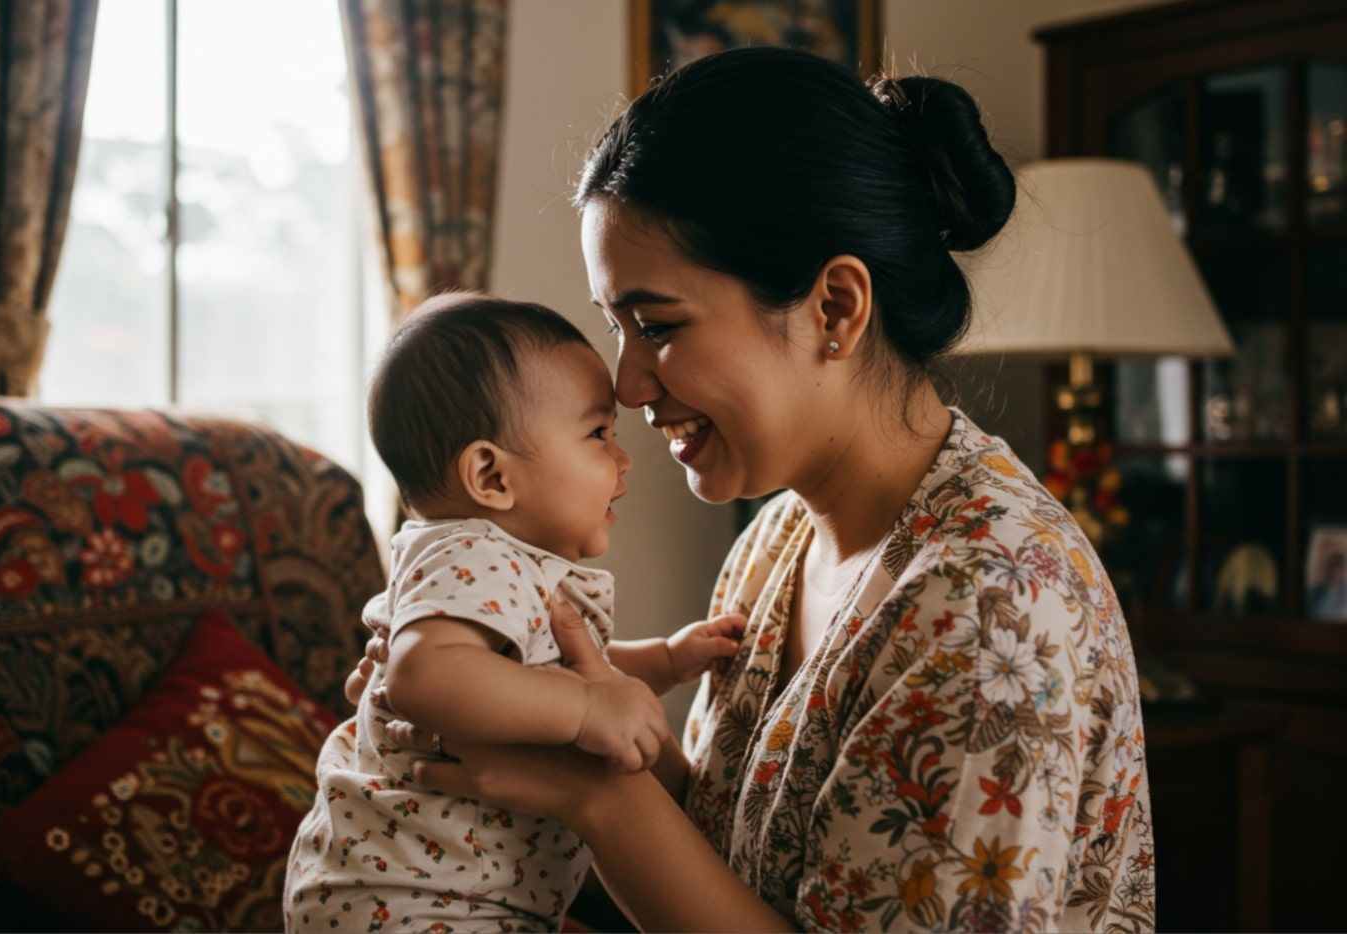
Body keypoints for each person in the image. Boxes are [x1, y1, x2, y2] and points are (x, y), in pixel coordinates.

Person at [351, 48, 1155, 932]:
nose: (626, 386)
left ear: (836, 309)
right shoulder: (775, 542)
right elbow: (735, 853)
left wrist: (599, 797)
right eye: (614, 326)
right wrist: (517, 694)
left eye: (656, 325)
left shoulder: (997, 604)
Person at [284, 293, 746, 932]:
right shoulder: (472, 554)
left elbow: (537, 667)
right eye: (597, 433)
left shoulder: (494, 565)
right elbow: (423, 677)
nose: (623, 455)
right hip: (412, 905)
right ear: (490, 477)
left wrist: (661, 662)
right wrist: (588, 710)